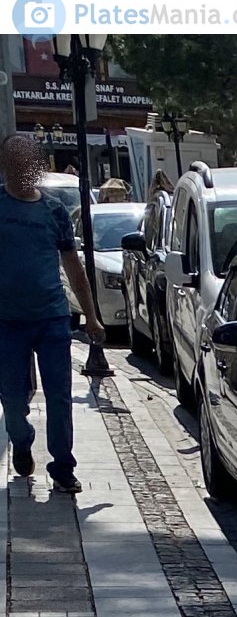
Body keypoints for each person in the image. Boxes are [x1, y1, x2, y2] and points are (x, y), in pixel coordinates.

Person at [0, 133, 104, 493]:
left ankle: (62, 466)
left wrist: (90, 315)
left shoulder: (54, 211)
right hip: (7, 322)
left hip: (52, 318)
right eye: (13, 161)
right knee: (12, 400)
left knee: (59, 395)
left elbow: (73, 266)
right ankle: (23, 438)